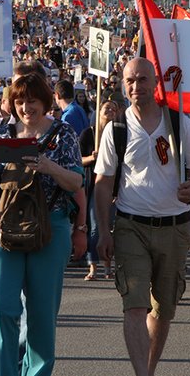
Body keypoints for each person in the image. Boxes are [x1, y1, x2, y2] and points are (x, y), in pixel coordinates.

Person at [94, 58, 190, 376]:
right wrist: (103, 231)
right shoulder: (116, 129)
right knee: (135, 305)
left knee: (163, 309)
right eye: (129, 81)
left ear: (155, 83)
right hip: (131, 226)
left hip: (175, 227)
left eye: (142, 80)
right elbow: (102, 183)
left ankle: (149, 369)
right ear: (122, 85)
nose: (135, 87)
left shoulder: (178, 122)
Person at [0, 72, 85, 376]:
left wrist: (49, 166)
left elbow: (77, 180)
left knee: (41, 315)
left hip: (51, 226)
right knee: (2, 307)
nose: (25, 107)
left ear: (45, 102)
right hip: (6, 226)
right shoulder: (1, 129)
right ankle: (5, 370)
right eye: (19, 101)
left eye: (32, 101)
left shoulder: (63, 133)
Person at [79, 98, 120, 281]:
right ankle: (94, 266)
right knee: (96, 226)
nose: (110, 111)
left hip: (117, 186)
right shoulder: (89, 134)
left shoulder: (121, 134)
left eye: (113, 108)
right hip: (95, 185)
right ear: (99, 111)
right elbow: (77, 160)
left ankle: (110, 266)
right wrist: (91, 157)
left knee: (115, 227)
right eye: (106, 108)